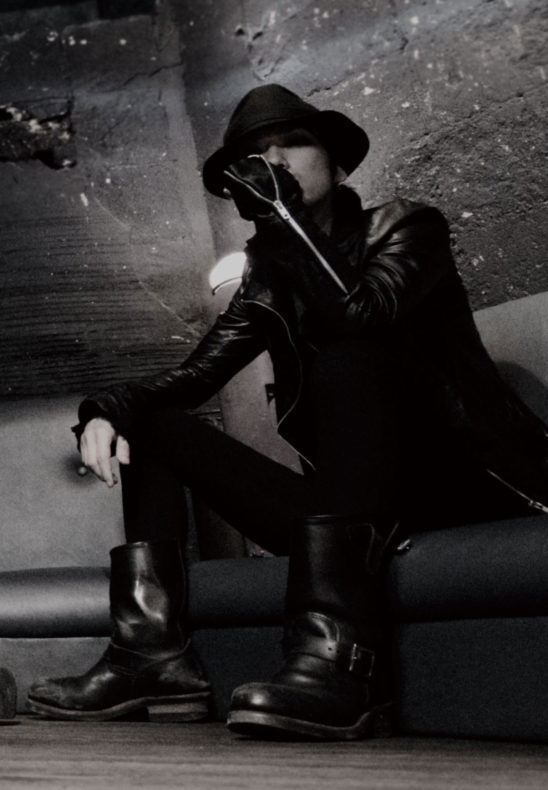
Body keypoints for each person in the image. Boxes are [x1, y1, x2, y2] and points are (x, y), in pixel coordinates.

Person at [27, 84, 548, 739]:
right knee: (151, 424)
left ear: (337, 163)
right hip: (345, 518)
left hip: (456, 490)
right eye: (256, 153)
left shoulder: (407, 227)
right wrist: (105, 411)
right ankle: (151, 656)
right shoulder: (269, 277)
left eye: (293, 143)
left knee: (345, 354)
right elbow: (192, 378)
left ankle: (340, 661)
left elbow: (361, 314)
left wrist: (281, 217)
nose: (274, 160)